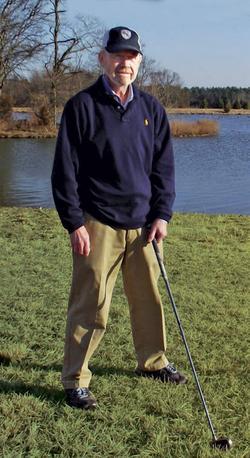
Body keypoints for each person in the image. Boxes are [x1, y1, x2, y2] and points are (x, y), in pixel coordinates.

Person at [51, 26, 187, 410]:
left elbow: (164, 170)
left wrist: (162, 214)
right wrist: (74, 222)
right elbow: (64, 172)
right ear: (103, 59)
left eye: (131, 56)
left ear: (139, 61)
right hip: (97, 224)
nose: (123, 62)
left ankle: (153, 361)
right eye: (117, 55)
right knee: (90, 304)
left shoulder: (151, 110)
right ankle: (76, 379)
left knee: (148, 299)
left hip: (144, 227)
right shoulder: (81, 106)